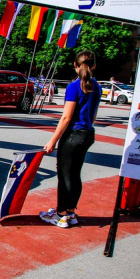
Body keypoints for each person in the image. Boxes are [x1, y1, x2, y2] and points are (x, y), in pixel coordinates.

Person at [40, 50, 102, 228]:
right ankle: (71, 212)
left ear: (75, 65)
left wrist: (52, 140)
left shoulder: (74, 86)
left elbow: (66, 117)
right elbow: (94, 115)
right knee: (75, 175)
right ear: (94, 66)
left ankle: (61, 215)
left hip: (73, 135)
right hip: (87, 133)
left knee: (65, 176)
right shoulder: (97, 86)